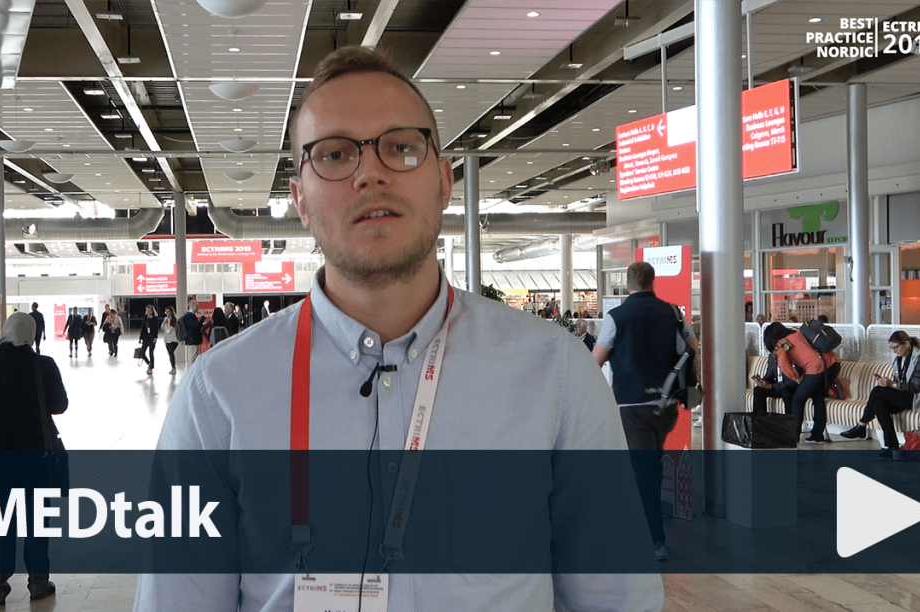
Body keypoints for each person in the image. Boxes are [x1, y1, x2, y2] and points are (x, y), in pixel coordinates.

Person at [134, 46, 661, 612]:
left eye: (401, 147)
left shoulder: (555, 374)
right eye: (334, 154)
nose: (370, 173)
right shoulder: (218, 394)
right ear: (300, 200)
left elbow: (617, 599)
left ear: (444, 180)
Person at [592, 261, 699, 562]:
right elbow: (693, 347)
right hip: (666, 405)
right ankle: (646, 531)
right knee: (650, 466)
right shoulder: (673, 312)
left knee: (643, 471)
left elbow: (595, 360)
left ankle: (653, 541)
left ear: (628, 285)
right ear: (653, 282)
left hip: (631, 406)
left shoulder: (616, 317)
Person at [0, 313, 68, 606]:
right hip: (35, 459)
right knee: (37, 523)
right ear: (31, 335)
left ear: (5, 332)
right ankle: (38, 583)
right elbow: (60, 405)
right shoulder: (43, 365)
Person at [840, 331, 920, 459]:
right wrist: (890, 383)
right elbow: (899, 383)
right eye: (892, 348)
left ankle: (862, 425)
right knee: (879, 403)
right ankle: (892, 446)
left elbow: (916, 388)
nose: (894, 351)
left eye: (896, 347)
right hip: (906, 396)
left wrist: (892, 384)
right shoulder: (898, 359)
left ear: (907, 343)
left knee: (878, 391)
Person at [762, 322, 830, 443]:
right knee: (818, 400)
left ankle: (793, 435)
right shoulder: (796, 333)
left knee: (797, 399)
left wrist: (795, 378)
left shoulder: (782, 343)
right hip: (823, 366)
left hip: (813, 370)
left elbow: (783, 363)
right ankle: (817, 435)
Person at [751, 349, 799, 416]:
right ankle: (760, 420)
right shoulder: (772, 357)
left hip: (789, 387)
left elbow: (791, 382)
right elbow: (769, 375)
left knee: (787, 392)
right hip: (776, 387)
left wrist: (771, 386)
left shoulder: (792, 356)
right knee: (758, 390)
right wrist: (762, 381)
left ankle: (789, 421)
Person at [182, 299, 204, 365]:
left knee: (193, 358)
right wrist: (203, 317)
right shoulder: (190, 316)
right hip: (192, 340)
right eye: (197, 306)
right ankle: (191, 371)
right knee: (192, 359)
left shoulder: (189, 315)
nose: (198, 308)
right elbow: (197, 325)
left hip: (192, 340)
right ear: (192, 306)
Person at [139, 305, 160, 375]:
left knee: (151, 353)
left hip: (152, 338)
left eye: (150, 310)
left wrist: (155, 338)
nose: (148, 311)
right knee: (142, 353)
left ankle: (151, 367)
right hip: (145, 338)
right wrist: (140, 338)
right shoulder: (145, 318)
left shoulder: (155, 318)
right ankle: (149, 363)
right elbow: (142, 328)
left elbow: (156, 329)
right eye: (147, 310)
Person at [160, 306, 179, 375]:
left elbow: (177, 329)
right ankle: (172, 367)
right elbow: (162, 328)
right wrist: (164, 322)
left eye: (168, 311)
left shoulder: (176, 319)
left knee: (171, 352)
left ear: (171, 312)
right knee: (170, 353)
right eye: (166, 312)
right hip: (167, 339)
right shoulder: (166, 319)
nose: (167, 313)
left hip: (174, 339)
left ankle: (173, 367)